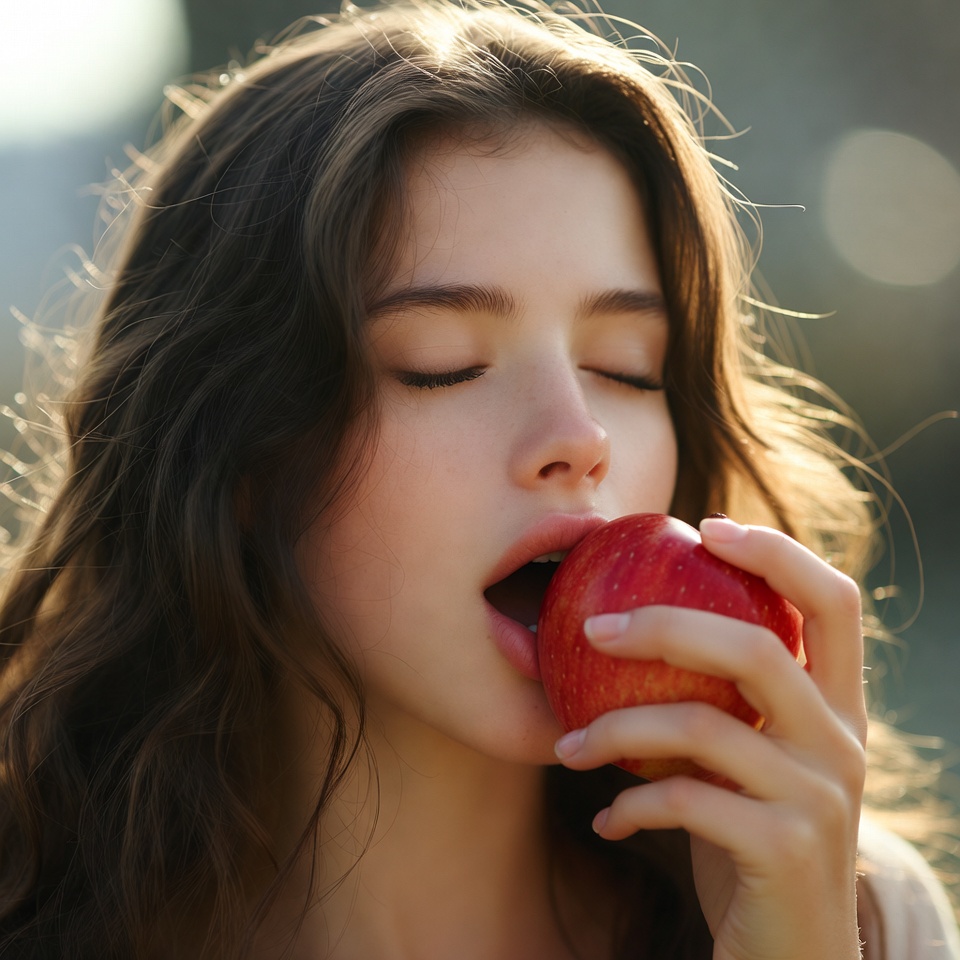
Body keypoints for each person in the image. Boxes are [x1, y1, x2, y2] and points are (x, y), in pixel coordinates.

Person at [0, 1, 956, 957]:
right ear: (236, 446)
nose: (579, 437)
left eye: (626, 368)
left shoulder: (866, 924)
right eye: (442, 365)